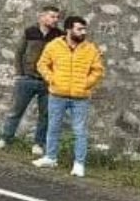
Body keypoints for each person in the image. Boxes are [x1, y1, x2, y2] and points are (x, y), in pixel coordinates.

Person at [33, 16, 105, 177]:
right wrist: (52, 79)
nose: (83, 32)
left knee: (79, 130)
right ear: (68, 29)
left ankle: (79, 164)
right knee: (53, 127)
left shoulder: (90, 49)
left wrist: (86, 83)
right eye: (79, 29)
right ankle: (50, 158)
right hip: (57, 95)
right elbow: (42, 64)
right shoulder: (54, 46)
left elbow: (98, 70)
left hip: (80, 97)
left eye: (84, 29)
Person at [0, 5, 62, 155]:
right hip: (27, 79)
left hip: (47, 81)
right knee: (15, 111)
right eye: (52, 16)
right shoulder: (29, 32)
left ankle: (38, 144)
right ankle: (5, 139)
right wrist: (20, 74)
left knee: (45, 115)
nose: (55, 20)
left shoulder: (59, 35)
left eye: (57, 17)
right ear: (42, 17)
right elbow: (19, 53)